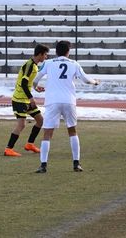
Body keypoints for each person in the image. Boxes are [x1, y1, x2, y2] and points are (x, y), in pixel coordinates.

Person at [32, 40, 99, 173]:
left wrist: (36, 87)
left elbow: (35, 79)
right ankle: (76, 163)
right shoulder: (74, 64)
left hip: (52, 101)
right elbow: (85, 80)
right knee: (72, 131)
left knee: (47, 134)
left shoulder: (48, 63)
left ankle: (43, 165)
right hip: (69, 101)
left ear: (56, 52)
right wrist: (95, 82)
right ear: (68, 52)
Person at [4, 44, 50, 157]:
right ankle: (8, 149)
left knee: (40, 120)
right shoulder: (30, 65)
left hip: (25, 100)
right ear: (40, 54)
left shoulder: (33, 65)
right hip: (20, 99)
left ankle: (30, 144)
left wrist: (35, 88)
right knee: (22, 124)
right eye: (45, 55)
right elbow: (24, 83)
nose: (46, 57)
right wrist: (31, 98)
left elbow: (28, 82)